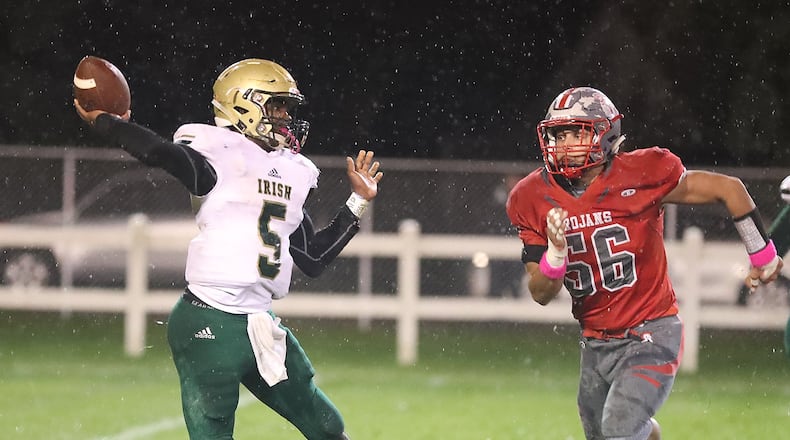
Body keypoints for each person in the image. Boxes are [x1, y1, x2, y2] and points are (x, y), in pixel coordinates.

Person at [75, 58, 383, 440]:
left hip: (259, 324)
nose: (286, 117)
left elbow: (313, 258)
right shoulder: (213, 157)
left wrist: (357, 202)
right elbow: (158, 152)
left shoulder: (287, 171)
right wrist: (107, 121)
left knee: (327, 426)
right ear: (243, 105)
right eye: (277, 106)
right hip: (210, 321)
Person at [505, 86, 783, 440]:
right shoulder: (531, 198)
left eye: (578, 132)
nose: (566, 144)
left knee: (619, 430)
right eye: (559, 135)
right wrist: (556, 255)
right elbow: (540, 293)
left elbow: (729, 189)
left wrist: (763, 254)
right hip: (595, 341)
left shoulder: (641, 173)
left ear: (606, 135)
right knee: (605, 433)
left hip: (652, 330)